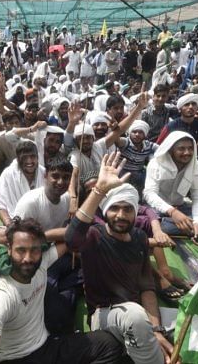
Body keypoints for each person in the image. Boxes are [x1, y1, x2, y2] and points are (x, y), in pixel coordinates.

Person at [66, 152, 176, 364]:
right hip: (104, 314)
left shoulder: (140, 238)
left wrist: (157, 331)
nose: (121, 215)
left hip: (139, 315)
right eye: (114, 208)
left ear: (136, 213)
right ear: (106, 210)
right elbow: (71, 240)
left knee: (184, 327)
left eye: (127, 209)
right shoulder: (94, 235)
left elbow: (146, 288)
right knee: (135, 317)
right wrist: (99, 190)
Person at [0, 217, 125, 363]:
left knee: (108, 345)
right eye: (20, 250)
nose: (28, 258)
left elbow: (72, 235)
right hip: (16, 359)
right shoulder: (1, 297)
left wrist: (44, 235)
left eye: (34, 250)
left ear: (41, 249)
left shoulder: (41, 264)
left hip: (47, 347)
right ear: (9, 250)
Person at [144, 131, 198, 243]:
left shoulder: (196, 167)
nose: (187, 152)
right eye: (181, 148)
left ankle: (185, 226)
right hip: (157, 209)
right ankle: (174, 225)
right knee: (150, 221)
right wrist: (173, 212)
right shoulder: (156, 163)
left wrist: (197, 224)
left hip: (181, 207)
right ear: (171, 149)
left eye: (190, 148)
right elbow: (149, 194)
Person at [0, 141, 46, 227]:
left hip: (40, 225)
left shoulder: (44, 173)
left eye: (32, 156)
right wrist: (9, 224)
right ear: (18, 159)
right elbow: (1, 205)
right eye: (24, 158)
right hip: (16, 225)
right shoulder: (8, 174)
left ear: (37, 157)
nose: (29, 161)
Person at [13, 159, 72, 232]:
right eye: (55, 176)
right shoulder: (30, 202)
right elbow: (17, 235)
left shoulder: (66, 199)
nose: (60, 182)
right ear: (45, 175)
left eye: (66, 178)